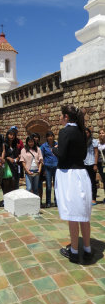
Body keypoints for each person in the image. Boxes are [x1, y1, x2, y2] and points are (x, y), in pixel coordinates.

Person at [53, 105, 92, 264]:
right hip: (82, 174)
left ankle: (74, 252)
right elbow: (82, 155)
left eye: (61, 116)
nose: (60, 118)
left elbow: (61, 155)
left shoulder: (64, 132)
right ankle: (88, 249)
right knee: (84, 214)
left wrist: (54, 149)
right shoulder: (82, 132)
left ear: (66, 117)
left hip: (69, 176)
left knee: (73, 216)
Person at [41, 131, 58, 207]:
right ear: (47, 137)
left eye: (52, 136)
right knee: (48, 185)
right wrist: (43, 169)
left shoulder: (57, 145)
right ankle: (48, 202)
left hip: (56, 167)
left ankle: (56, 201)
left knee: (56, 185)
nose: (50, 137)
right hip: (47, 168)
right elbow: (42, 158)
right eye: (49, 136)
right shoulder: (44, 146)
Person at [84, 128, 98, 205]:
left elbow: (96, 153)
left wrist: (95, 164)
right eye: (85, 133)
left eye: (87, 133)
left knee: (93, 181)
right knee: (86, 182)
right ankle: (87, 197)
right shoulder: (83, 142)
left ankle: (93, 198)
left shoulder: (94, 141)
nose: (86, 134)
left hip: (92, 163)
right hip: (84, 163)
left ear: (90, 133)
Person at [97, 128, 105, 203]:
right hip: (100, 164)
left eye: (103, 133)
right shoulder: (97, 143)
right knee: (104, 180)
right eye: (100, 133)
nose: (101, 134)